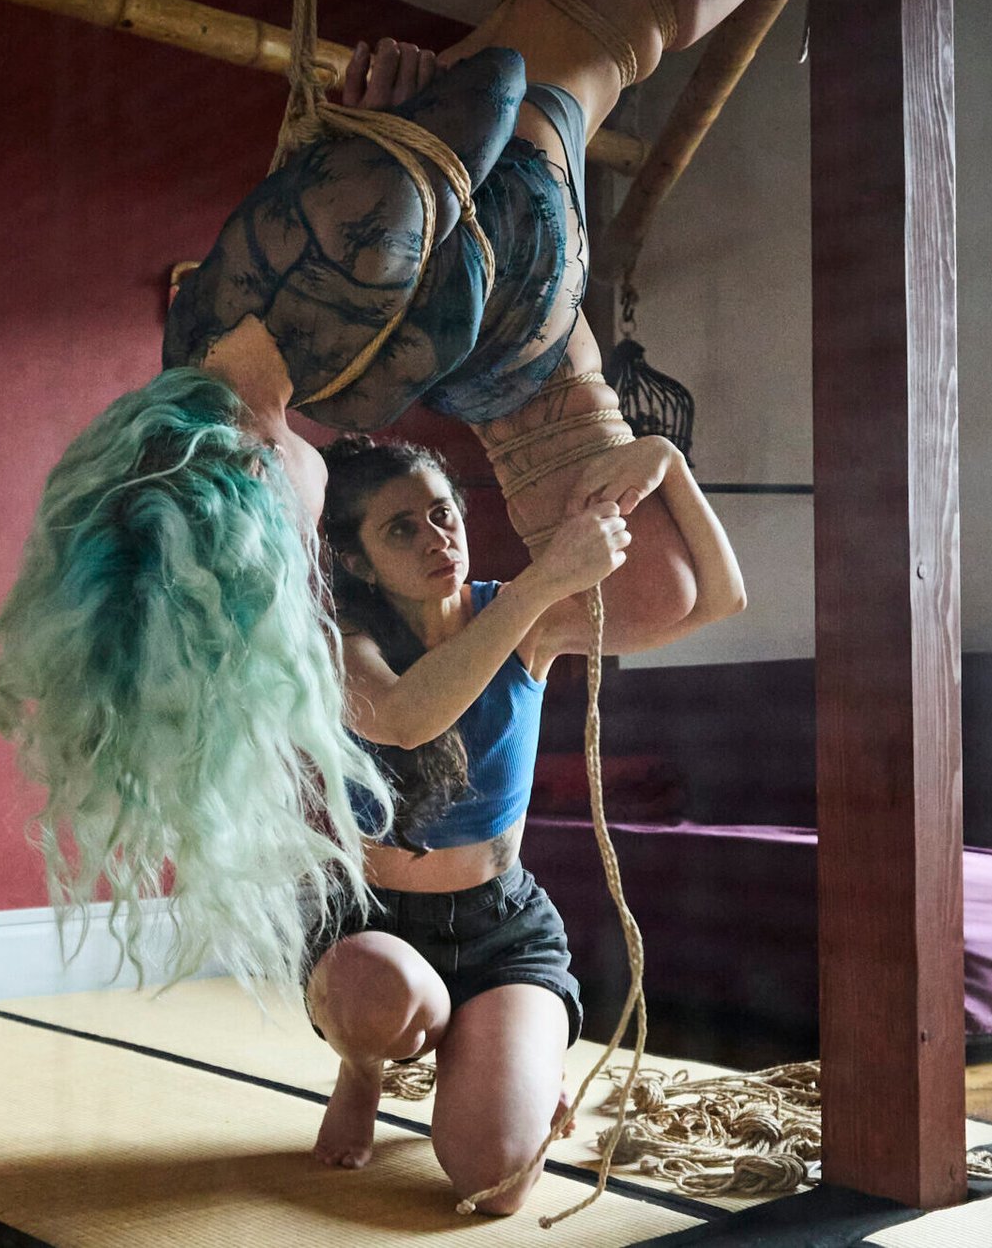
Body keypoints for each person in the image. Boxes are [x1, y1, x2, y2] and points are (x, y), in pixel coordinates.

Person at [0, 0, 808, 990]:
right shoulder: (245, 385)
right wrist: (650, 460)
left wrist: (400, 126)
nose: (311, 545)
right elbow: (415, 707)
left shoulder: (322, 305)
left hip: (524, 204)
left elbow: (493, 87)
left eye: (292, 545)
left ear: (251, 481)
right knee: (654, 593)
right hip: (509, 340)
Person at [306, 433, 742, 1212]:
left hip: (499, 927)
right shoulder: (340, 644)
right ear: (359, 561)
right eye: (401, 529)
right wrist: (543, 581)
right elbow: (406, 718)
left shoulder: (529, 617)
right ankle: (363, 1072)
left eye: (443, 514)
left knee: (496, 1185)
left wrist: (668, 462)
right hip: (373, 926)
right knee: (377, 990)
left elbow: (715, 599)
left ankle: (513, 1057)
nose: (436, 538)